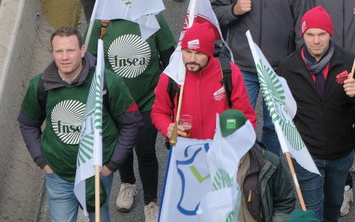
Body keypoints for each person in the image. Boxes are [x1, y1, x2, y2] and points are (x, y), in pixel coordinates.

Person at [17, 27, 142, 222]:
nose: (64, 57)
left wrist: (111, 165)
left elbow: (132, 123)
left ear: (82, 50)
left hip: (97, 174)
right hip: (58, 174)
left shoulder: (108, 82)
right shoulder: (40, 85)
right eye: (59, 51)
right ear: (52, 52)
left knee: (99, 218)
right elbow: (27, 123)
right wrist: (42, 161)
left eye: (70, 50)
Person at [211, 0, 311, 155]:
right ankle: (242, 169)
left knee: (274, 127)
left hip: (278, 69)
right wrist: (235, 9)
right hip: (243, 67)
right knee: (239, 124)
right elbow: (214, 13)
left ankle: (271, 170)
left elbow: (303, 23)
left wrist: (300, 64)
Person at [276, 7, 355, 222]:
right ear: (303, 35)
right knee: (312, 211)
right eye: (310, 34)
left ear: (330, 34)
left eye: (322, 34)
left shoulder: (348, 61)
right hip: (306, 154)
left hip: (340, 153)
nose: (316, 41)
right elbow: (279, 107)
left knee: (332, 206)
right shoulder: (287, 66)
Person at [86, 15, 175, 221]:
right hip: (116, 102)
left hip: (149, 99)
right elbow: (90, 61)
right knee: (122, 146)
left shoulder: (153, 16)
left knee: (145, 150)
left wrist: (170, 97)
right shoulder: (102, 20)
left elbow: (169, 58)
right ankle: (127, 183)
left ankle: (151, 201)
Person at [152, 21, 257, 141]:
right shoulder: (171, 75)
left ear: (209, 53)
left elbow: (246, 116)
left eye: (199, 53)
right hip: (185, 148)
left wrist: (231, 131)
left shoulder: (229, 72)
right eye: (188, 52)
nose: (192, 59)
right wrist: (167, 127)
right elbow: (159, 112)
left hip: (221, 147)